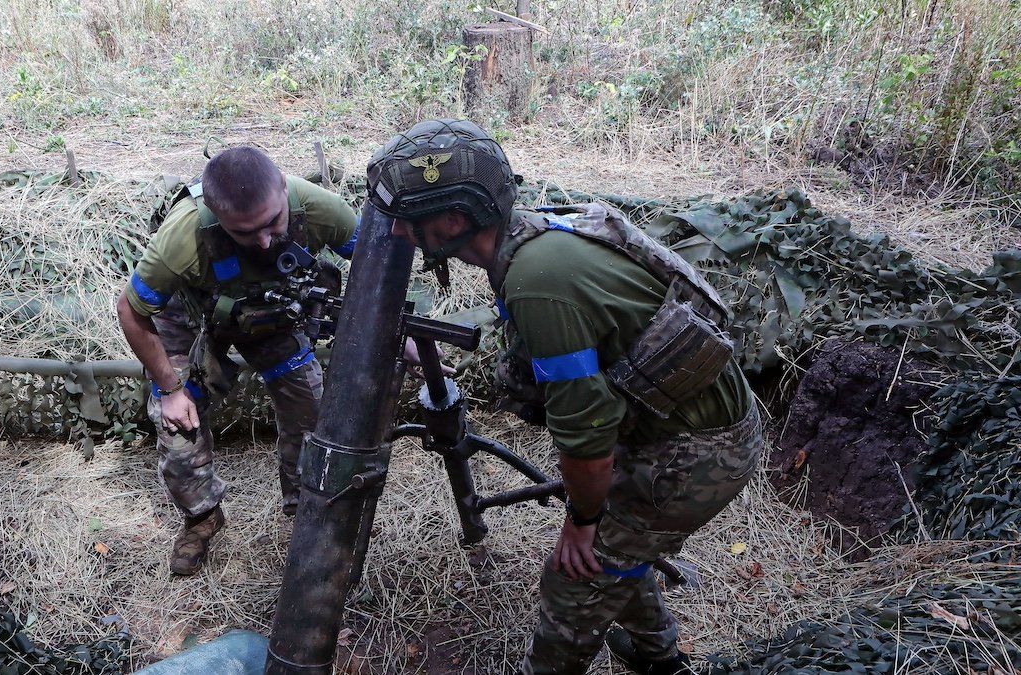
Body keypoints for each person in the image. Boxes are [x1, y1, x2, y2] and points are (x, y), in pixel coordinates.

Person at [365, 119, 764, 674]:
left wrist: (582, 519)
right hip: (675, 426)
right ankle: (660, 658)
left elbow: (587, 443)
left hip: (696, 453)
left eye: (407, 221)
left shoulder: (538, 283)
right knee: (620, 550)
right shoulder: (532, 238)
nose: (397, 233)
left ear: (454, 220)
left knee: (575, 579)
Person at [117, 146, 359, 576]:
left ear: (284, 189)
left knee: (311, 410)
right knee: (176, 428)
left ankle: (307, 513)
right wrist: (171, 390)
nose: (265, 240)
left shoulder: (323, 210)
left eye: (273, 223)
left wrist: (397, 332)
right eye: (246, 233)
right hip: (188, 312)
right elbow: (131, 311)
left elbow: (377, 267)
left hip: (268, 312)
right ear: (215, 213)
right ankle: (202, 516)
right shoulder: (183, 236)